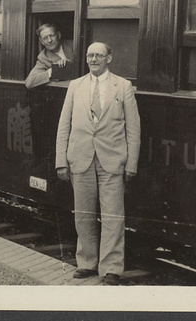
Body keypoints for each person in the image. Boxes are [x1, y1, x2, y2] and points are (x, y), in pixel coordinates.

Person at [55, 42, 141, 286]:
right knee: (83, 215)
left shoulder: (123, 87)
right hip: (80, 159)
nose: (93, 59)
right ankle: (87, 263)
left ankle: (112, 268)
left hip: (112, 161)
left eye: (99, 55)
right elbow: (64, 126)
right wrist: (61, 161)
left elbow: (134, 129)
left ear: (109, 59)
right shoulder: (75, 86)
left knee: (113, 216)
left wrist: (131, 164)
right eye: (90, 55)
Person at [24, 23, 73, 89]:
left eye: (51, 35)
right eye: (45, 38)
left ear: (58, 35)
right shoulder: (43, 57)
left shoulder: (73, 44)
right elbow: (29, 82)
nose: (49, 40)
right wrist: (53, 71)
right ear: (42, 42)